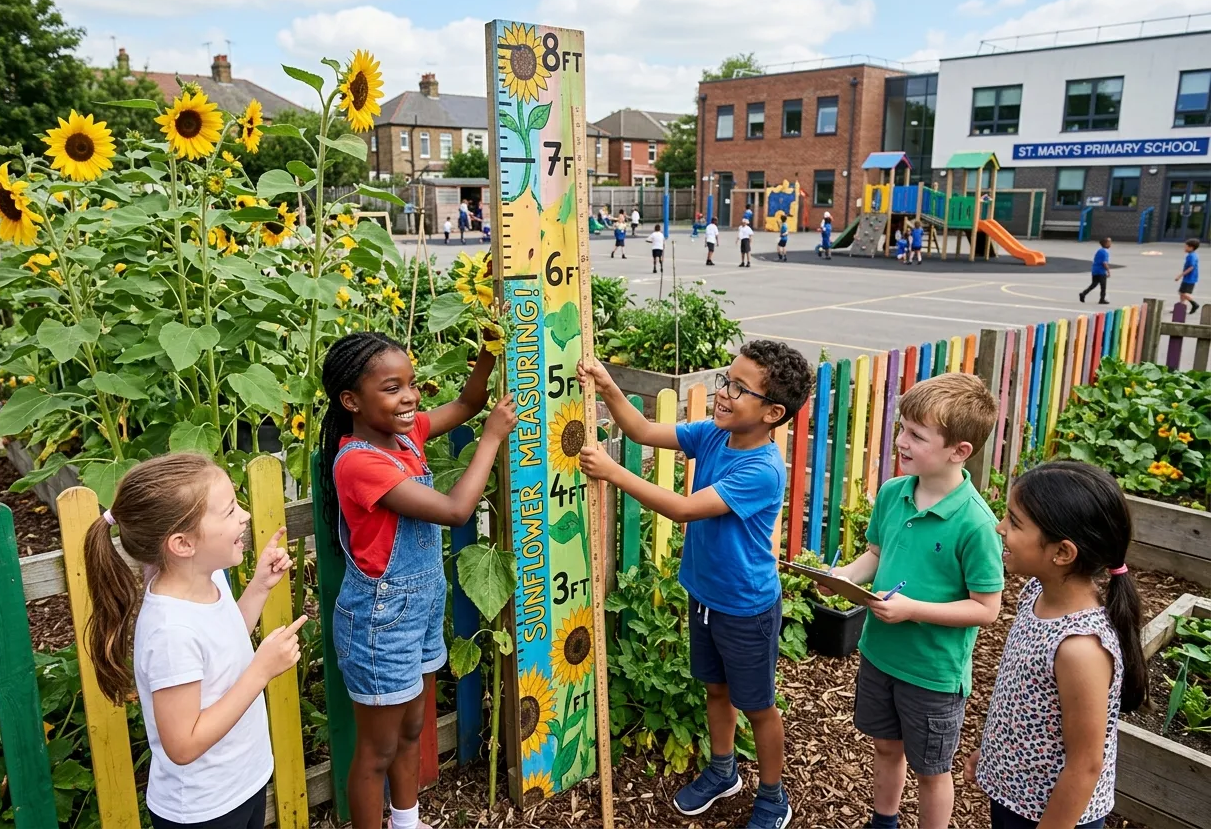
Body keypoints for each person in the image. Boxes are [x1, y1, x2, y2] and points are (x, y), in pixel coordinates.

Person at [575, 342, 814, 829]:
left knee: (758, 705)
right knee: (715, 691)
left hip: (745, 607)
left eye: (739, 389)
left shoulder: (762, 469)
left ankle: (773, 795)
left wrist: (613, 471)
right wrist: (607, 385)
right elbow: (640, 428)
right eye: (727, 380)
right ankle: (724, 771)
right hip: (704, 594)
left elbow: (684, 509)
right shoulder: (712, 435)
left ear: (772, 413)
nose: (723, 394)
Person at [318, 332, 517, 829]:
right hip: (381, 618)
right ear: (351, 401)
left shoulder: (404, 435)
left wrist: (490, 345)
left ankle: (407, 822)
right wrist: (491, 437)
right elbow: (455, 510)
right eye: (391, 388)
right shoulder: (360, 461)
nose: (409, 397)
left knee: (411, 728)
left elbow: (469, 401)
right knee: (376, 750)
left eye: (411, 384)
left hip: (421, 605)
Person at [82, 453, 305, 829]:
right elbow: (182, 744)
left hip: (239, 782)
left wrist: (259, 587)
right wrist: (261, 671)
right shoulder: (170, 632)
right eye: (230, 510)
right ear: (183, 544)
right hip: (203, 809)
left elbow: (225, 640)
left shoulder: (208, 580)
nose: (245, 516)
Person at [825, 373, 1004, 829]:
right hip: (880, 654)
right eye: (902, 429)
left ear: (959, 451)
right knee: (885, 747)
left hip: (932, 673)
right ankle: (883, 821)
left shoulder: (975, 524)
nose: (901, 442)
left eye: (916, 435)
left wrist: (912, 610)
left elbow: (987, 609)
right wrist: (843, 576)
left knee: (931, 771)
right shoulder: (893, 493)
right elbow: (876, 554)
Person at [966, 461, 1146, 829]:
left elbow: (1085, 765)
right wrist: (993, 758)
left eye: (1014, 522)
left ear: (1063, 553)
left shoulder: (1080, 647)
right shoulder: (1037, 592)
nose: (1000, 528)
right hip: (1015, 795)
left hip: (1054, 816)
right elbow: (1025, 705)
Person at [1080, 237, 1111, 304]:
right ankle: (1102, 299)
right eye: (1109, 242)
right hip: (1101, 271)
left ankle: (1083, 293)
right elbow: (1104, 263)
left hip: (1095, 270)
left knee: (1093, 284)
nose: (1110, 244)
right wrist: (1108, 271)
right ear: (1105, 244)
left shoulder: (1099, 251)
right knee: (1103, 286)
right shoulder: (1105, 252)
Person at [1177, 238, 1200, 313]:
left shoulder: (1191, 256)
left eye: (1186, 246)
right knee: (1182, 292)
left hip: (1190, 278)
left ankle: (1194, 304)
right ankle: (1181, 308)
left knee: (1182, 293)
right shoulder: (1192, 255)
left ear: (1191, 247)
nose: (1184, 248)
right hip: (1189, 277)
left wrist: (1180, 275)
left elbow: (1191, 267)